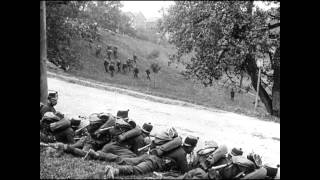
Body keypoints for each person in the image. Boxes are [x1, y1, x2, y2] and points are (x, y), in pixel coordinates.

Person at [101, 134, 199, 179]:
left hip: (150, 155)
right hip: (155, 162)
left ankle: (98, 154)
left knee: (128, 160)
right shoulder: (182, 154)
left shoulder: (176, 146)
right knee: (136, 170)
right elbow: (185, 171)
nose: (193, 150)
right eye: (193, 147)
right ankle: (115, 170)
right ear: (191, 147)